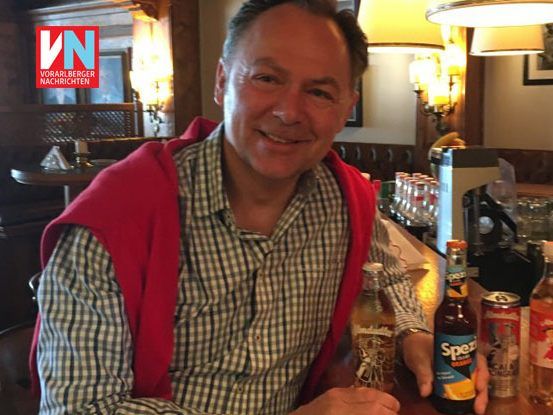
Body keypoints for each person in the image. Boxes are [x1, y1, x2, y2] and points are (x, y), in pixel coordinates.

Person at [32, 1, 489, 414]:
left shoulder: (345, 199)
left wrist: (414, 335)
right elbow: (81, 406)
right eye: (267, 79)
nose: (289, 112)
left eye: (319, 93)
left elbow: (384, 274)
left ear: (345, 107)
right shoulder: (113, 219)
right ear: (221, 81)